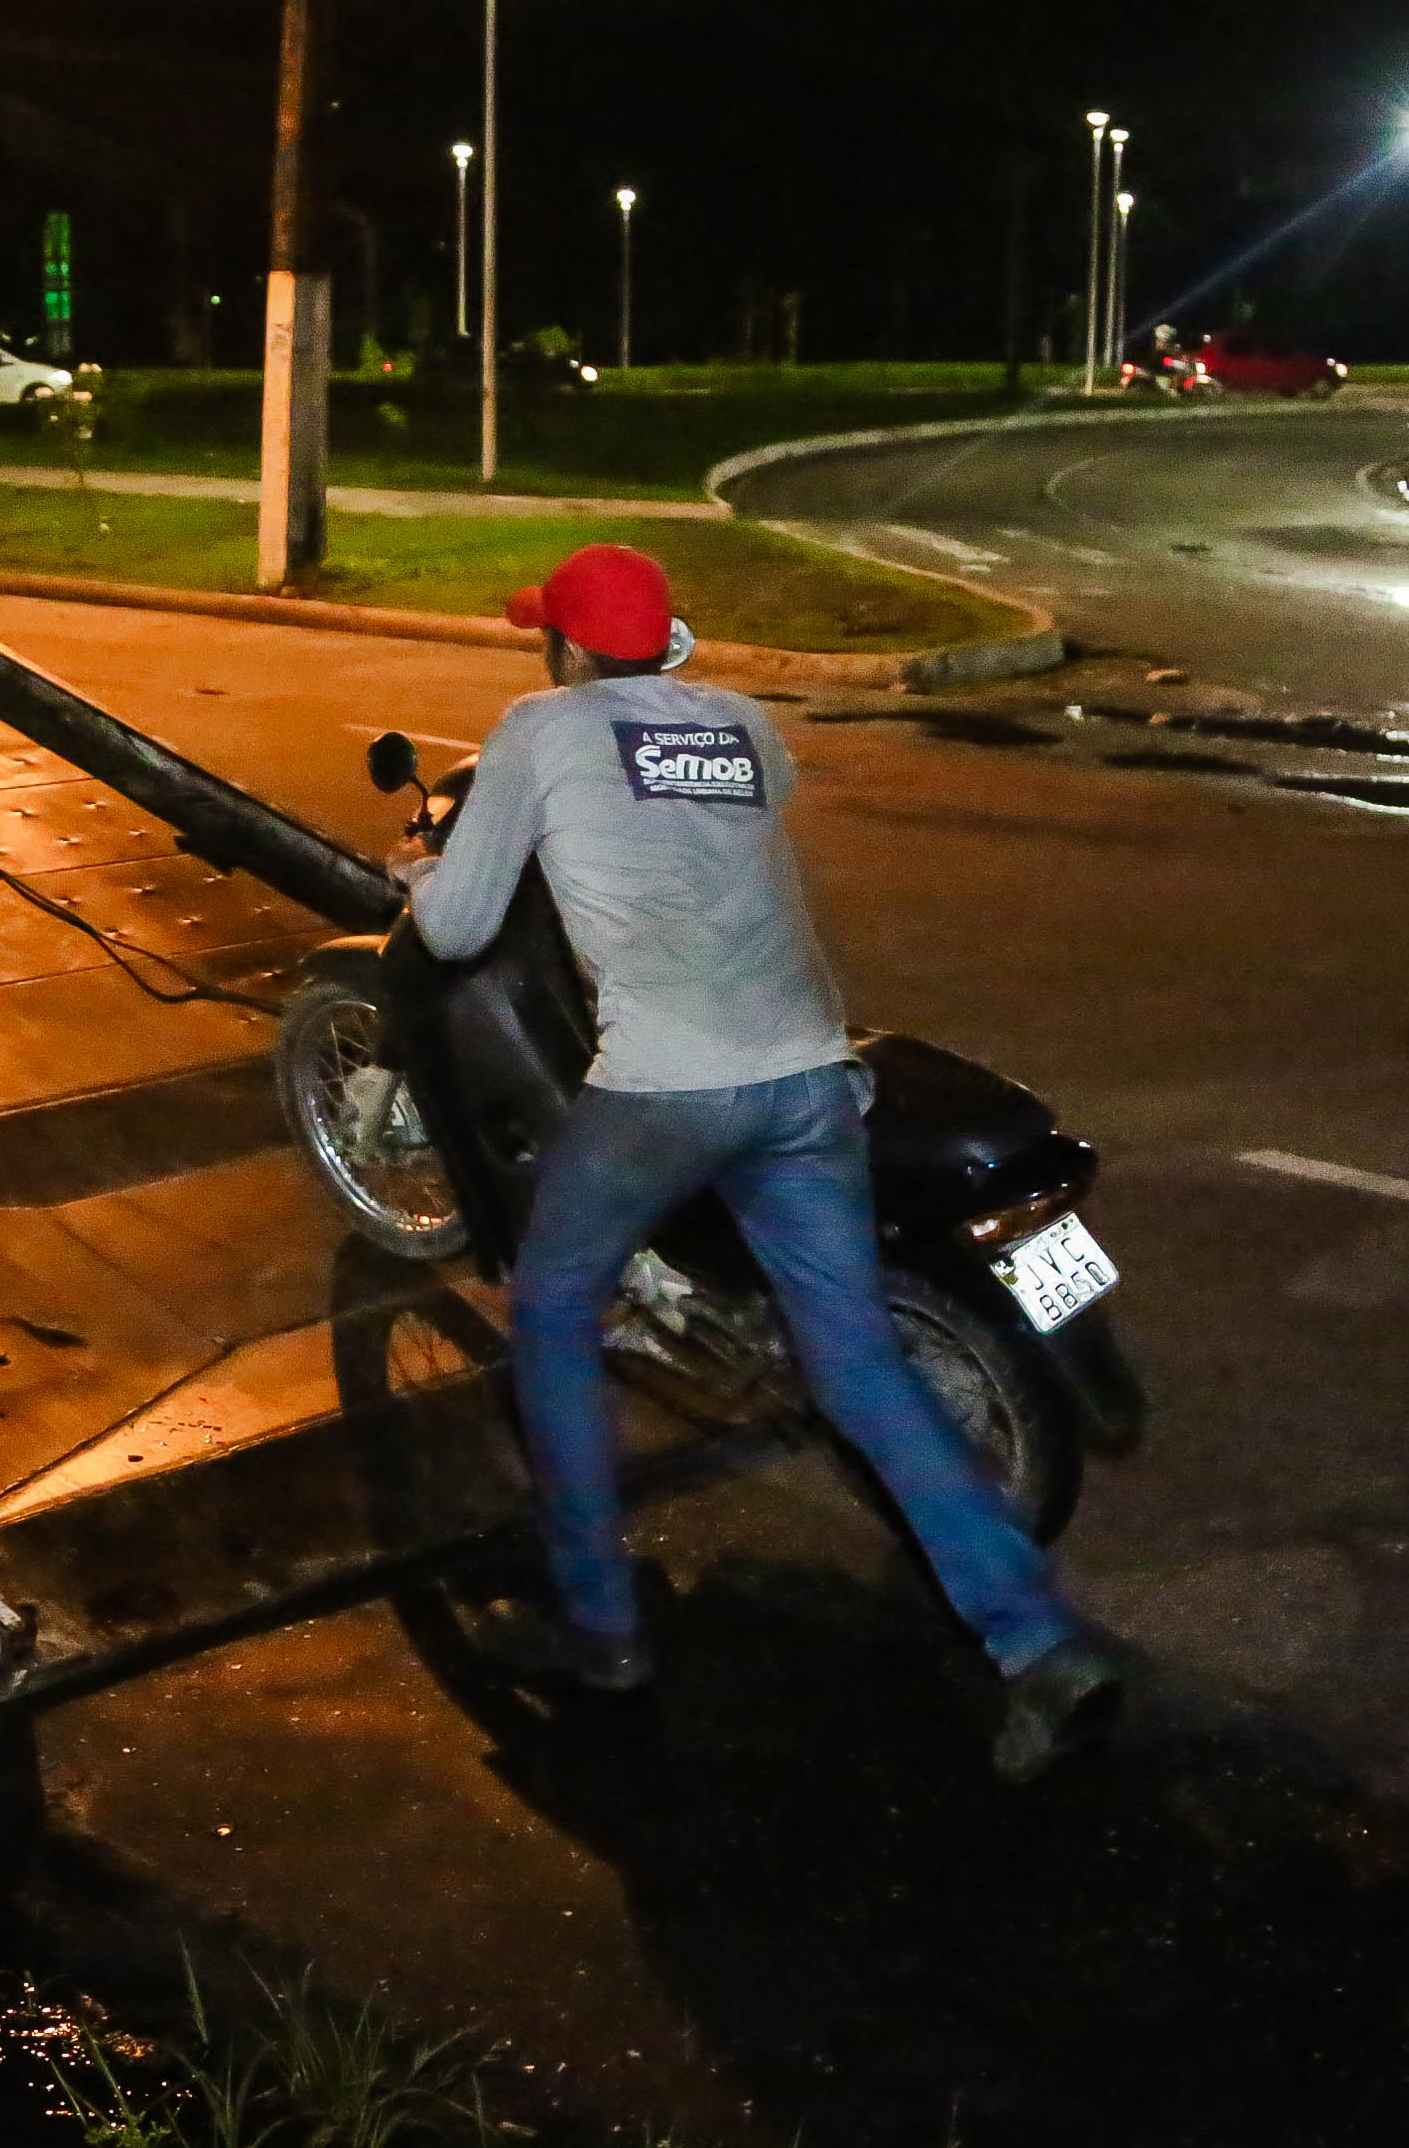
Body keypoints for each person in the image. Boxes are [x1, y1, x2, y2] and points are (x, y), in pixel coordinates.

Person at [401, 543, 1121, 1781]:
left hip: (669, 1089)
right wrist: (674, 685)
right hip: (807, 1078)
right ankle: (1039, 1639)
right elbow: (716, 791)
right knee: (858, 1363)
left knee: (557, 1307)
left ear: (563, 647)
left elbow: (463, 923)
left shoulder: (540, 726)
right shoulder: (739, 720)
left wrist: (416, 873)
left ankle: (602, 1628)